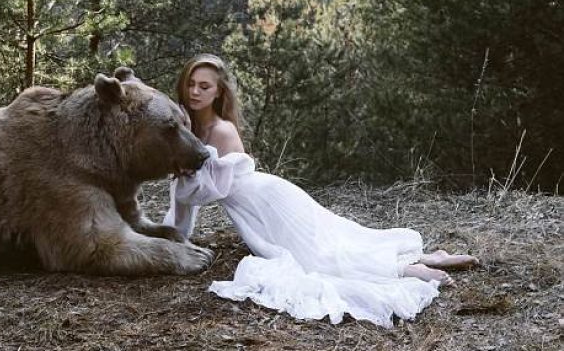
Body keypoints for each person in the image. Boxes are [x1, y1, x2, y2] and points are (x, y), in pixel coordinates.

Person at [163, 53, 479, 328]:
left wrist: (183, 166)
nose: (194, 91)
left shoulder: (222, 130)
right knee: (331, 247)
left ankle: (413, 268)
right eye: (191, 84)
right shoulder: (192, 128)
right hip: (254, 210)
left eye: (204, 86)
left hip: (267, 202)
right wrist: (171, 235)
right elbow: (186, 198)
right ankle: (431, 257)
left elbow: (203, 194)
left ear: (218, 92)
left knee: (319, 262)